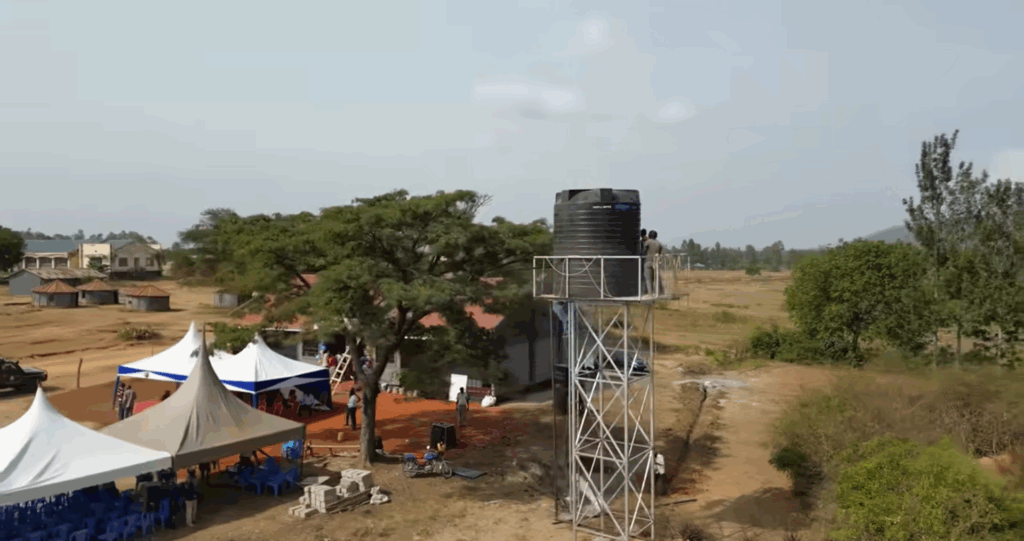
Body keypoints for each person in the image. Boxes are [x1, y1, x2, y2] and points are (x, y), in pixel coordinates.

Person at [643, 230, 664, 297]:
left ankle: (650, 293)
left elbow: (644, 251)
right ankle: (660, 292)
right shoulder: (659, 243)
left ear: (649, 235)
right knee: (657, 277)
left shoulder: (648, 242)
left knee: (648, 278)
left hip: (648, 261)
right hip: (656, 262)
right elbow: (660, 253)